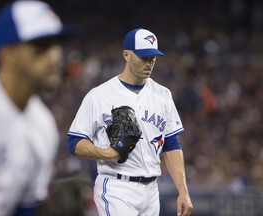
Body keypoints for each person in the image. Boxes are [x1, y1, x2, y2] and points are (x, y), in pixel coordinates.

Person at [67, 28, 193, 216]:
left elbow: (172, 143)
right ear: (126, 54)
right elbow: (74, 142)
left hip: (151, 190)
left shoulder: (163, 95)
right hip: (117, 187)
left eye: (153, 58)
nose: (149, 63)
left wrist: (183, 190)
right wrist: (105, 153)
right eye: (144, 57)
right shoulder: (99, 95)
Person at [0, 1, 77, 215]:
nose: (55, 56)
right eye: (41, 46)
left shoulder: (43, 125)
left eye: (57, 44)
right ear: (6, 54)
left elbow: (25, 207)